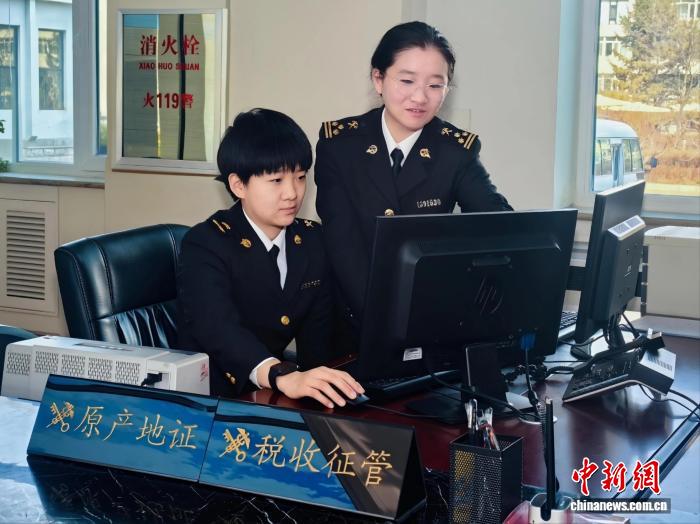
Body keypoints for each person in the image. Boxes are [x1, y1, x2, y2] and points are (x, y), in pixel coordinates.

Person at [314, 21, 512, 344]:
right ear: (378, 79)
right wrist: (389, 320)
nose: (420, 97)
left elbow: (500, 224)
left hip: (427, 322)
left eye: (435, 85)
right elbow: (343, 247)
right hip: (350, 327)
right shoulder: (340, 145)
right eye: (406, 81)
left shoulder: (454, 152)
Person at [177, 108, 364, 408]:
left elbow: (317, 336)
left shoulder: (311, 240)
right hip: (210, 398)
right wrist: (280, 375)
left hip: (271, 396)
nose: (292, 193)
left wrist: (325, 387)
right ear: (238, 185)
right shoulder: (206, 242)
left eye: (300, 177)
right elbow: (218, 329)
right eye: (276, 180)